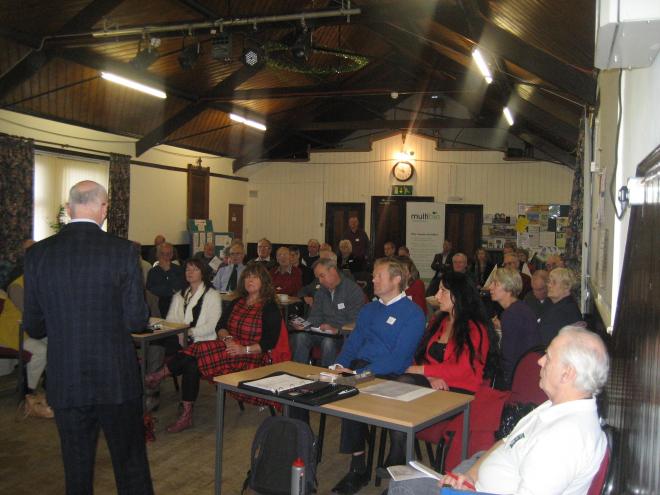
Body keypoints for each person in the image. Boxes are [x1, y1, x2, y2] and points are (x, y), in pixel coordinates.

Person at [23, 180, 153, 495]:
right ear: (104, 208)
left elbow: (34, 326)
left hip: (67, 379)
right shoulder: (124, 251)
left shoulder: (39, 254)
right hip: (116, 379)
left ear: (69, 209)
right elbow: (137, 320)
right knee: (131, 466)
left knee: (77, 472)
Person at [388, 325, 609, 495]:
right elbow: (507, 441)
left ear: (567, 374)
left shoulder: (564, 439)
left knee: (403, 486)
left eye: (549, 357)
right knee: (409, 478)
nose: (540, 361)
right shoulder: (556, 405)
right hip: (479, 474)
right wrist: (470, 476)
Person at [329, 258, 426, 495]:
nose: (372, 279)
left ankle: (395, 469)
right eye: (373, 275)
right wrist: (340, 364)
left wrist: (358, 374)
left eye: (378, 275)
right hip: (363, 368)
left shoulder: (413, 313)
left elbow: (399, 359)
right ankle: (358, 466)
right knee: (347, 391)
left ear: (396, 279)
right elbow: (354, 343)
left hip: (392, 372)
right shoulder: (370, 309)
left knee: (363, 388)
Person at [383, 271, 496, 467]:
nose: (436, 296)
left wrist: (424, 372)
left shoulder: (475, 328)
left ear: (458, 294)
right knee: (400, 386)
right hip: (435, 386)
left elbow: (462, 370)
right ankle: (398, 463)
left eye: (443, 291)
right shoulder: (439, 321)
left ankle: (396, 462)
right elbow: (420, 355)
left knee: (403, 385)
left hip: (461, 393)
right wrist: (430, 377)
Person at [148, 263, 280, 428]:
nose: (249, 280)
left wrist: (242, 349)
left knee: (196, 353)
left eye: (254, 277)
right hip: (228, 347)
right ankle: (186, 414)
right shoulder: (237, 301)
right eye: (247, 276)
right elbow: (221, 326)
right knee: (192, 363)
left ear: (264, 281)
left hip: (250, 355)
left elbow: (269, 343)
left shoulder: (270, 307)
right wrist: (228, 340)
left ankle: (159, 376)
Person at [144, 258, 222, 432]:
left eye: (194, 269)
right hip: (181, 340)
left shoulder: (212, 295)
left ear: (202, 273)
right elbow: (171, 320)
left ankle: (158, 376)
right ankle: (153, 393)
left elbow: (211, 325)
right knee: (156, 343)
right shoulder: (180, 294)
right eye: (187, 269)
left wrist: (189, 333)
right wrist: (180, 334)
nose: (189, 272)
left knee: (191, 363)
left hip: (204, 343)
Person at [290, 258, 365, 367]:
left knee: (328, 342)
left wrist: (337, 330)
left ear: (333, 271)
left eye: (322, 276)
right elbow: (316, 315)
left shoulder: (353, 290)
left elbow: (355, 322)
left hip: (342, 336)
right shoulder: (322, 291)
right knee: (300, 337)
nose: (320, 281)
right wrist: (306, 325)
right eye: (318, 277)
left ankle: (328, 376)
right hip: (321, 332)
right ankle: (299, 373)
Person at [489, 267, 540, 389]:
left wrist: (505, 383)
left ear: (508, 287)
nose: (490, 287)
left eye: (495, 284)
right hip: (530, 368)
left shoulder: (510, 314)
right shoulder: (520, 307)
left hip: (520, 375)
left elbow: (509, 355)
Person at [539, 268, 583, 346]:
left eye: (554, 282)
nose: (548, 285)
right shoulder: (555, 304)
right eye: (549, 281)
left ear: (567, 287)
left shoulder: (566, 311)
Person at [146, 242, 186, 317]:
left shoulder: (178, 270)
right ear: (158, 255)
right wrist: (169, 289)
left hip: (175, 304)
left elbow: (178, 288)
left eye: (168, 254)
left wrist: (168, 271)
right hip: (157, 304)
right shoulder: (153, 271)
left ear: (171, 255)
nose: (165, 257)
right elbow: (149, 290)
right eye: (162, 254)